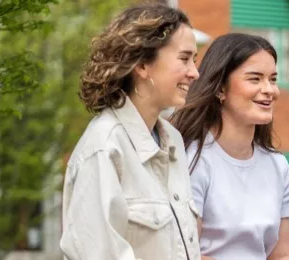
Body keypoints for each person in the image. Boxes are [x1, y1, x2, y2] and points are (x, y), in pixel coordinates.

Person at [60, 3, 201, 260]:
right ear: (142, 65)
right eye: (184, 58)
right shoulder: (103, 148)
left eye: (195, 59)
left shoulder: (173, 142)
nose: (194, 72)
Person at [170, 33, 289, 260]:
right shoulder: (192, 159)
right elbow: (187, 254)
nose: (270, 89)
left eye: (273, 79)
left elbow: (282, 255)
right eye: (255, 79)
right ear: (220, 89)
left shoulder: (279, 166)